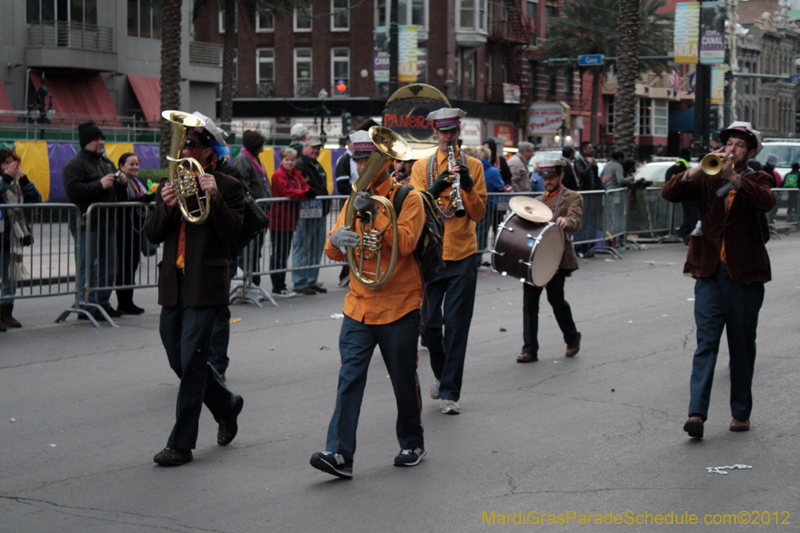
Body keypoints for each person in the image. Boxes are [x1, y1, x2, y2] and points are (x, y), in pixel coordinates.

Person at [310, 130, 427, 479]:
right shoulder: (354, 197)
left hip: (399, 306)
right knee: (349, 379)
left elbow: (405, 243)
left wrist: (374, 214)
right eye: (359, 159)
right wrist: (336, 238)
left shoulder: (409, 198)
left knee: (403, 379)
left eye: (367, 160)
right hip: (359, 305)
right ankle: (339, 453)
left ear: (387, 162)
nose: (361, 166)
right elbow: (333, 250)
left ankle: (412, 442)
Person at [661, 121, 775, 439]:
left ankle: (740, 413)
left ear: (750, 152)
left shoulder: (758, 177)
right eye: (728, 144)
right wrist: (696, 170)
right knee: (706, 343)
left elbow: (767, 201)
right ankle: (696, 413)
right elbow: (668, 193)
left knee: (741, 346)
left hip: (744, 277)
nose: (731, 149)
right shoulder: (707, 176)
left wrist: (734, 179)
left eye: (739, 145)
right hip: (709, 273)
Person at [144, 119, 246, 466]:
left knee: (192, 363)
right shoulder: (170, 184)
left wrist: (215, 199)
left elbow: (234, 234)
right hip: (174, 283)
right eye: (181, 145)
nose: (182, 152)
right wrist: (166, 206)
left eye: (189, 146)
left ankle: (181, 443)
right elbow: (152, 234)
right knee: (178, 358)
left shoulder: (229, 185)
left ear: (205, 151)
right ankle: (225, 404)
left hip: (206, 284)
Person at [410, 107, 487, 415]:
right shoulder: (420, 166)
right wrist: (434, 188)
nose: (448, 137)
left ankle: (450, 392)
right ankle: (443, 377)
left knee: (457, 326)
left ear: (459, 132)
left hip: (463, 254)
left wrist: (466, 185)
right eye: (444, 132)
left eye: (453, 132)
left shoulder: (475, 165)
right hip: (432, 256)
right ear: (436, 134)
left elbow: (479, 214)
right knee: (429, 326)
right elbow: (416, 209)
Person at [516, 159, 582, 363]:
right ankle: (530, 349)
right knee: (529, 304)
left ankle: (572, 337)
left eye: (552, 177)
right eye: (545, 178)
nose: (548, 182)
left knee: (556, 300)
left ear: (561, 176)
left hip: (557, 258)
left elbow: (575, 220)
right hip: (535, 259)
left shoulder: (573, 197)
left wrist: (566, 221)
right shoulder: (537, 201)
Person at [62, 121, 126, 320]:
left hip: (108, 223)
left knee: (109, 265)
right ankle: (85, 304)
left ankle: (102, 303)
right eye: (97, 139)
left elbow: (115, 191)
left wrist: (121, 184)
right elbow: (73, 190)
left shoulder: (106, 162)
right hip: (86, 225)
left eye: (102, 139)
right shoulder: (74, 164)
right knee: (87, 265)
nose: (101, 142)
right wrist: (99, 185)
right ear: (86, 142)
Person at [0, 148, 41, 331]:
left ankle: (6, 313)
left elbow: (35, 199)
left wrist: (23, 179)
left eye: (12, 162)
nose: (10, 167)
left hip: (11, 235)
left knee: (10, 277)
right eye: (5, 163)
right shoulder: (4, 182)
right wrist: (6, 178)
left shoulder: (16, 184)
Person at [269, 148, 313, 297]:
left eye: (292, 160)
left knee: (284, 253)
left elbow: (304, 186)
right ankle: (277, 286)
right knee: (279, 254)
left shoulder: (296, 173)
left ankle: (281, 285)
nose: (290, 162)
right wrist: (305, 194)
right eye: (287, 160)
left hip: (290, 219)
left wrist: (306, 191)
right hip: (280, 219)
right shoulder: (278, 175)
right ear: (281, 160)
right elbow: (286, 192)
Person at [114, 153, 154, 315]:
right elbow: (122, 201)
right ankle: (122, 301)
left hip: (136, 229)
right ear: (121, 166)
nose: (135, 167)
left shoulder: (137, 182)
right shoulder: (120, 182)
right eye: (131, 164)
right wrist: (146, 198)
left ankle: (128, 301)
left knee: (133, 264)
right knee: (124, 265)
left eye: (137, 164)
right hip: (122, 229)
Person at [233, 129, 273, 287]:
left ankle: (253, 283)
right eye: (261, 143)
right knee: (248, 252)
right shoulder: (242, 160)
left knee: (255, 252)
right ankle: (246, 285)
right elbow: (243, 187)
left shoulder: (256, 159)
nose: (263, 146)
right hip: (252, 214)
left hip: (260, 213)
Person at [292, 137, 329, 295]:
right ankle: (300, 282)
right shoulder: (300, 164)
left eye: (318, 148)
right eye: (313, 147)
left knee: (316, 248)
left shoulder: (316, 164)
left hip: (319, 212)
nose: (316, 150)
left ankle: (311, 280)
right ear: (305, 147)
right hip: (306, 213)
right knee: (303, 247)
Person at [475, 145, 506, 269]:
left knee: (475, 233)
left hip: (474, 204)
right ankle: (477, 260)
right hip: (488, 205)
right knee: (482, 234)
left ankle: (475, 259)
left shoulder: (473, 169)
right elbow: (500, 186)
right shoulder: (493, 171)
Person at [665, 148, 696, 243]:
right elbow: (670, 171)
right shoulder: (681, 163)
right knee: (691, 215)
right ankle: (684, 231)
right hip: (686, 193)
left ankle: (685, 232)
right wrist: (669, 185)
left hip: (685, 193)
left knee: (689, 214)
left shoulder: (683, 163)